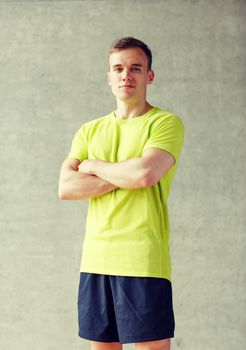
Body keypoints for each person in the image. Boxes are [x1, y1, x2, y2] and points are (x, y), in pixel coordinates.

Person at [58, 36, 185, 350]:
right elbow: (66, 187)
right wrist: (124, 174)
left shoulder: (165, 123)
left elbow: (145, 174)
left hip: (142, 259)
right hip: (96, 260)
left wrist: (94, 165)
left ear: (149, 76)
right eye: (118, 68)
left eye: (136, 68)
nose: (126, 75)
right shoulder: (89, 130)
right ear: (109, 77)